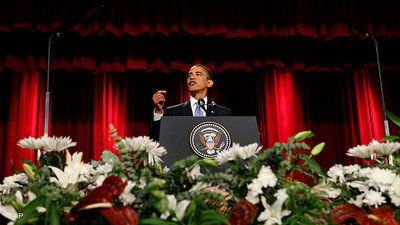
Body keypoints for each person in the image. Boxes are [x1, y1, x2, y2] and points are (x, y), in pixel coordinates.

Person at [150, 64, 232, 140]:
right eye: (190, 75)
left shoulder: (223, 113)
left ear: (209, 83)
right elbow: (158, 138)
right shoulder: (173, 112)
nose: (192, 77)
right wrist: (158, 111)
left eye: (198, 74)